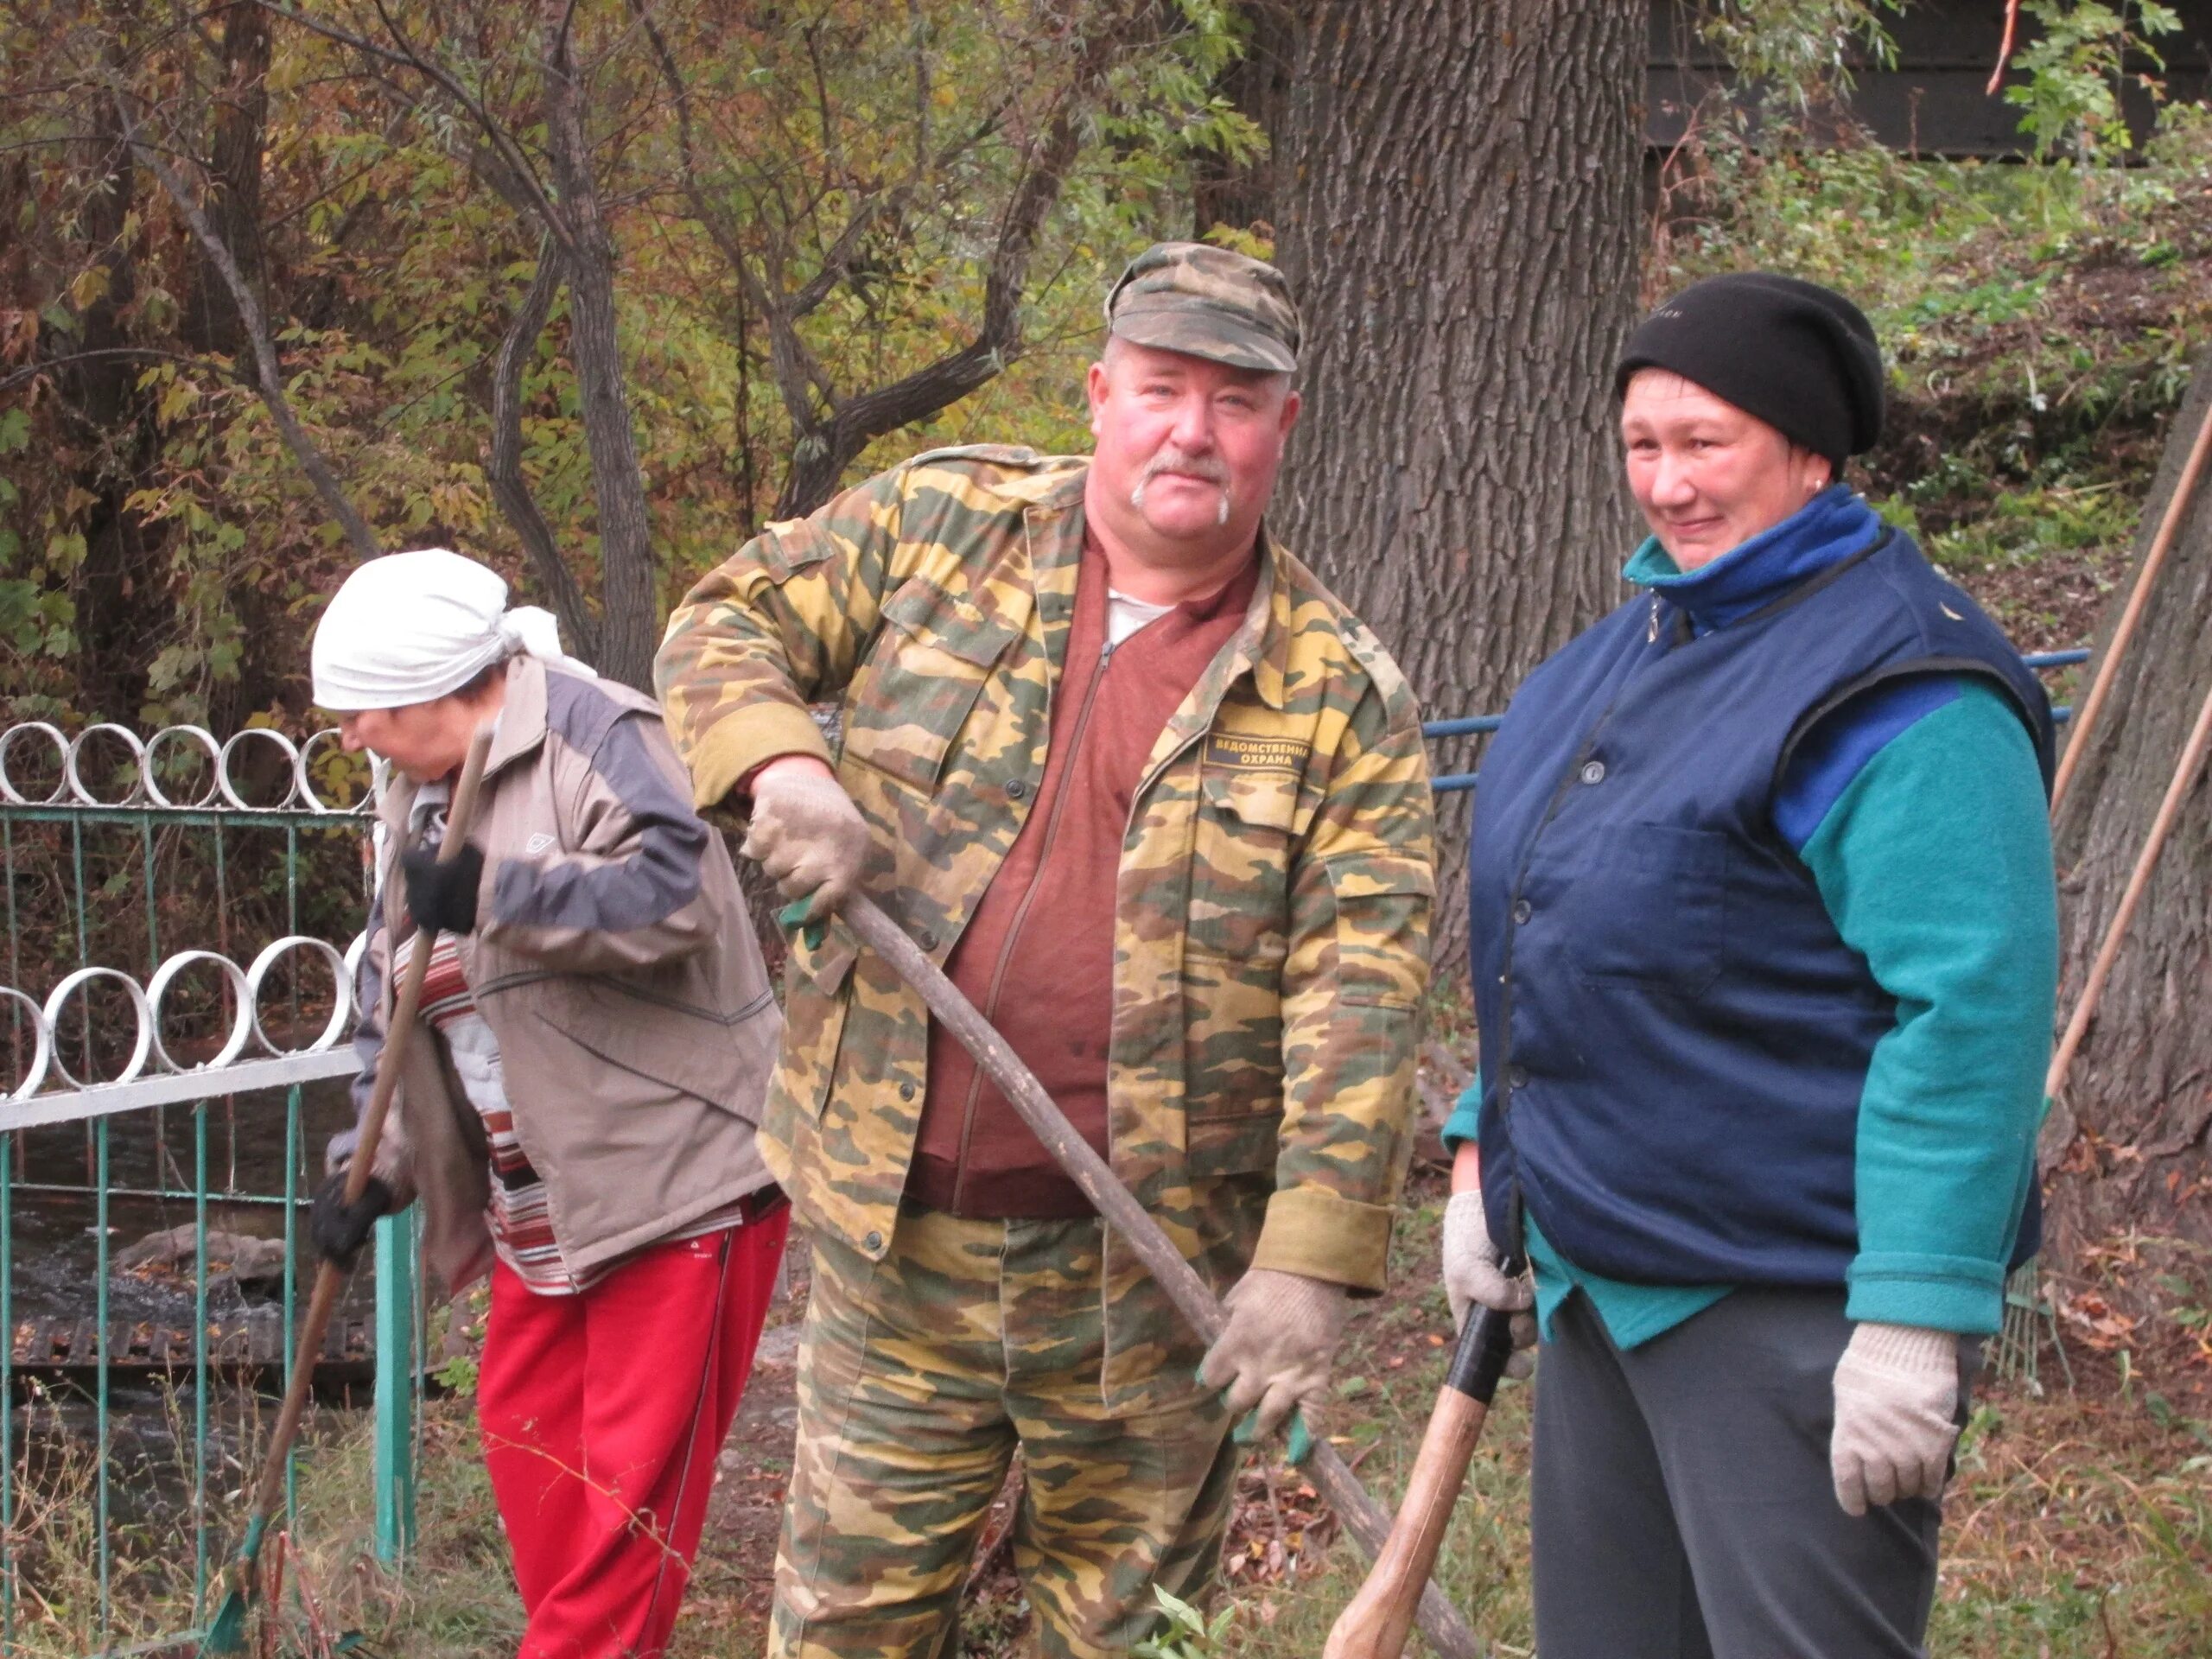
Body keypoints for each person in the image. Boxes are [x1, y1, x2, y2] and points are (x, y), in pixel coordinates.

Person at [655, 243, 1435, 1657]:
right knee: (850, 1629)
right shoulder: (944, 525)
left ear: (1286, 426)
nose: (1191, 429)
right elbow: (725, 620)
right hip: (902, 1249)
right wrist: (782, 769)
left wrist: (1306, 1266)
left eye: (1236, 400)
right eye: (1161, 388)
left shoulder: (1339, 695)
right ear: (1098, 394)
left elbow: (1361, 991)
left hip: (1150, 1279)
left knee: (1123, 1636)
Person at [1441, 273, 2060, 1659]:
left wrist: (1915, 1309)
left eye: (1705, 443)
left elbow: (1971, 1008)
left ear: (1811, 452)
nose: (1668, 484)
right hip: (1602, 1274)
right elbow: (1549, 923)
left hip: (1787, 1307)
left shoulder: (1905, 687)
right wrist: (1491, 1152)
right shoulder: (1631, 648)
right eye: (1643, 445)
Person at [308, 548, 789, 1659]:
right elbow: (403, 1011)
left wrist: (498, 893)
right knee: (529, 1449)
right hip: (542, 1209)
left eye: (363, 711)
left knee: (625, 1506)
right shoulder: (414, 795)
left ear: (437, 686)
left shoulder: (595, 731)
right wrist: (367, 1171)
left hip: (673, 1183)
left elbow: (678, 893)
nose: (350, 738)